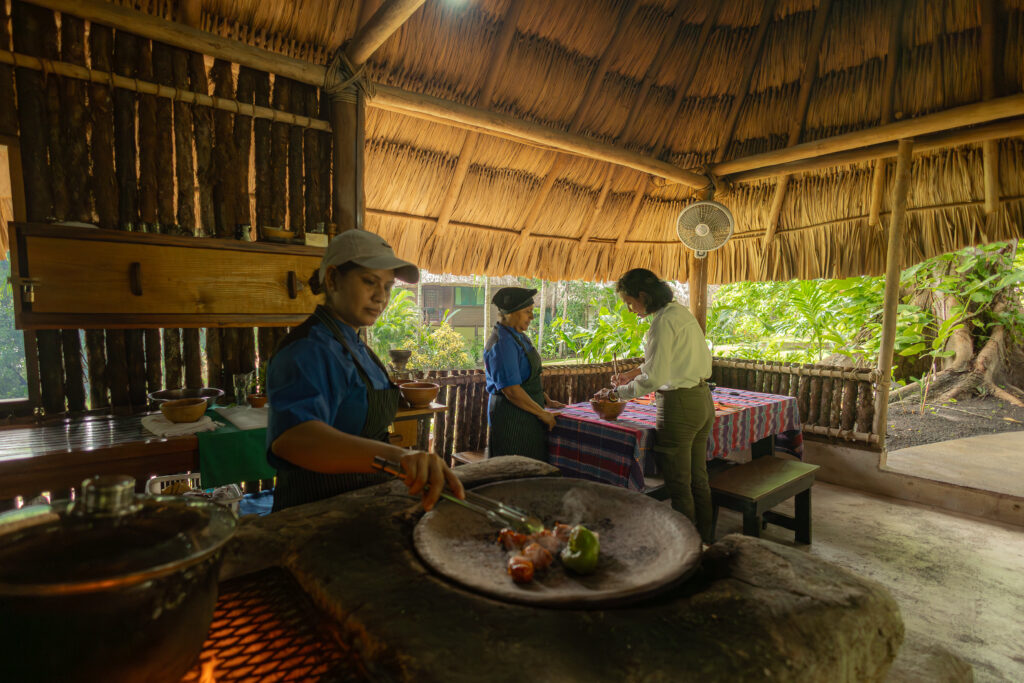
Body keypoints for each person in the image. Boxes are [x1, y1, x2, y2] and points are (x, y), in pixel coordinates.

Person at [266, 229, 464, 512]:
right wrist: (397, 457)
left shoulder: (355, 345)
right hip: (315, 512)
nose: (380, 297)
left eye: (387, 287)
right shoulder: (307, 350)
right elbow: (293, 440)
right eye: (370, 282)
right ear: (333, 279)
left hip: (358, 503)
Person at [595, 268, 714, 542]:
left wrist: (618, 394)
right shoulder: (679, 313)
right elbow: (667, 362)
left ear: (643, 296)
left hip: (679, 406)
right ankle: (706, 541)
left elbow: (657, 377)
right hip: (701, 400)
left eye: (629, 302)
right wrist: (633, 374)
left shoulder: (661, 323)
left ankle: (685, 551)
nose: (629, 309)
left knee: (678, 484)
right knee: (698, 479)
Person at [484, 286, 565, 461]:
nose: (532, 317)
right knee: (514, 474)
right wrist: (542, 413)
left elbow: (524, 378)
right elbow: (511, 390)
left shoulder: (518, 336)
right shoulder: (503, 344)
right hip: (511, 419)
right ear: (510, 314)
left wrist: (544, 399)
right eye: (528, 312)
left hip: (527, 416)